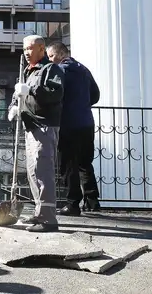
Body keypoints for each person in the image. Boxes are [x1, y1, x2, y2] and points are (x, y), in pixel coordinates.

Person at [7, 35, 64, 232]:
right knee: (33, 172)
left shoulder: (51, 69)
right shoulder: (28, 71)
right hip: (30, 126)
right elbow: (19, 93)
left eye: (30, 48)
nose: (26, 52)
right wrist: (14, 106)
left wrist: (30, 89)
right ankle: (40, 213)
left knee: (43, 171)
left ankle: (48, 220)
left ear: (41, 48)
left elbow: (55, 93)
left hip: (44, 125)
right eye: (24, 49)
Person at [46, 42, 101, 215]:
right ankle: (92, 202)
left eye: (51, 56)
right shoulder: (84, 69)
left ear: (60, 54)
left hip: (68, 123)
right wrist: (83, 106)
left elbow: (52, 95)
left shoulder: (59, 71)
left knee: (68, 164)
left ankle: (72, 204)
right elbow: (96, 94)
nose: (50, 60)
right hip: (86, 122)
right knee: (85, 163)